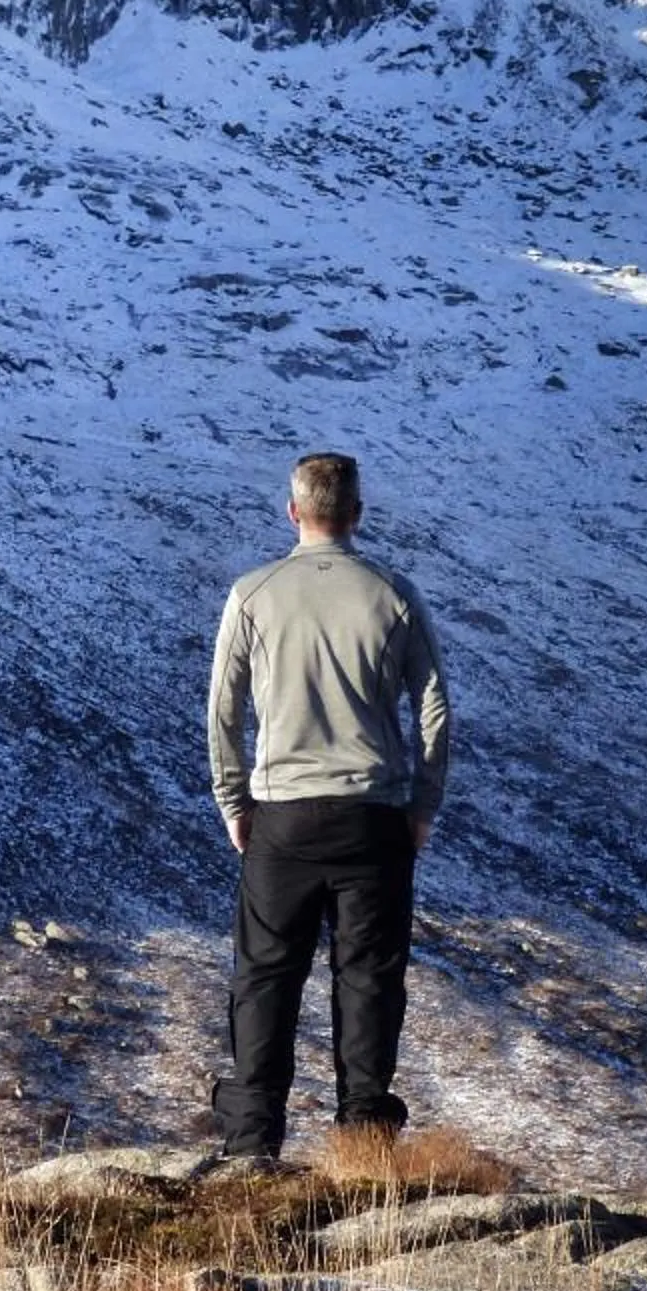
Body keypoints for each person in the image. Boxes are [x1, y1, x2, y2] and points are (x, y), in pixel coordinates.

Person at [205, 451, 453, 1161]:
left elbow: (222, 713)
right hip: (374, 815)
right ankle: (366, 1143)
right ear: (356, 515)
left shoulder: (254, 594)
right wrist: (422, 804)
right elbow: (433, 707)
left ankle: (253, 1142)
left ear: (294, 511)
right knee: (370, 978)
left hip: (281, 815)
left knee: (265, 974)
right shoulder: (394, 594)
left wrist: (233, 801)